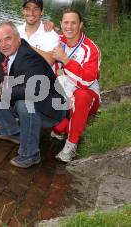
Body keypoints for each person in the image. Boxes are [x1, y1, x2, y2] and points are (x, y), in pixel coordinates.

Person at [0, 21, 65, 168]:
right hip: (26, 99)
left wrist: (0, 92)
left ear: (18, 38)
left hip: (50, 109)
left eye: (8, 38)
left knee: (24, 103)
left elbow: (35, 91)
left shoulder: (29, 57)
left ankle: (31, 154)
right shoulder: (1, 52)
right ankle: (11, 131)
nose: (3, 44)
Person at [51, 9, 101, 162]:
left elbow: (86, 82)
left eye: (73, 23)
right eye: (66, 22)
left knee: (82, 95)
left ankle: (71, 145)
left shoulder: (91, 49)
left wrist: (65, 61)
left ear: (80, 25)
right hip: (64, 95)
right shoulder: (57, 39)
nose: (69, 27)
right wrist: (45, 26)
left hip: (86, 97)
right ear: (61, 24)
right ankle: (63, 126)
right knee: (58, 128)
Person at [17, 0, 60, 66]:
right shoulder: (16, 31)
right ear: (23, 11)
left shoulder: (51, 35)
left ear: (42, 11)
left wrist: (24, 45)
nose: (31, 13)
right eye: (27, 9)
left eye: (35, 9)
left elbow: (49, 61)